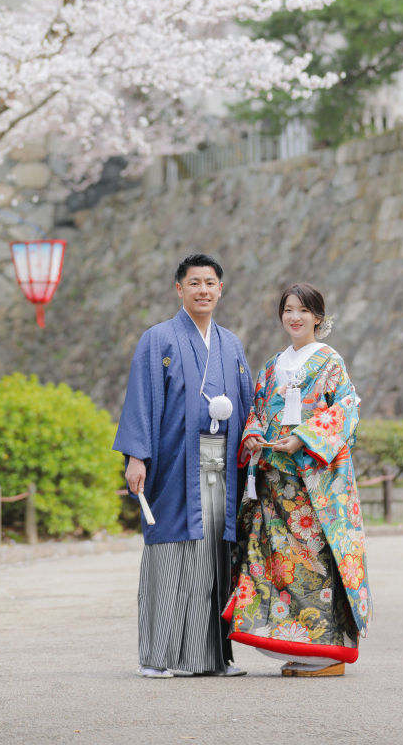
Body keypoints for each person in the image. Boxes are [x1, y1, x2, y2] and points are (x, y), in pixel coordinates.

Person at [114, 252, 254, 678]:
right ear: (179, 289)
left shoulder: (230, 344)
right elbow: (141, 398)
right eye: (194, 283)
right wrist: (137, 456)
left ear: (220, 289)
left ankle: (208, 658)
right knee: (171, 553)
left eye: (210, 283)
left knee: (215, 555)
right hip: (177, 465)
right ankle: (159, 657)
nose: (203, 291)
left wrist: (256, 450)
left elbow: (248, 404)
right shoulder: (158, 339)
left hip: (222, 465)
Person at [225, 282, 371, 677]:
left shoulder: (329, 362)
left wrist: (303, 438)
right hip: (275, 483)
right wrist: (252, 434)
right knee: (284, 566)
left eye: (304, 310)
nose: (295, 317)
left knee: (317, 565)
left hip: (313, 485)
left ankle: (327, 653)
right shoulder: (273, 365)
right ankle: (300, 647)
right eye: (288, 309)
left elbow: (346, 414)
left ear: (318, 317)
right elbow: (256, 409)